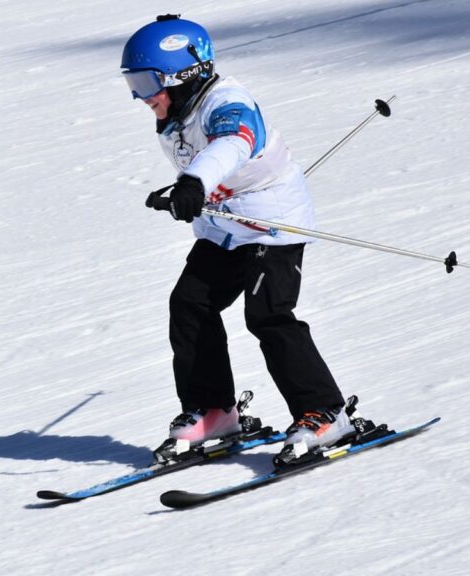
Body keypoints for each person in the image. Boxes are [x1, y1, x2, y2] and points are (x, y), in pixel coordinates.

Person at [120, 15, 355, 462]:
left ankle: (324, 413)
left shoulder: (228, 102)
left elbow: (232, 143)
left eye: (147, 81)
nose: (141, 96)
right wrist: (184, 191)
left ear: (183, 75)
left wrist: (194, 181)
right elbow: (202, 157)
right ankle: (213, 411)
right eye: (133, 82)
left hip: (272, 223)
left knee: (268, 315)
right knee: (190, 305)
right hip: (225, 229)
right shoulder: (178, 110)